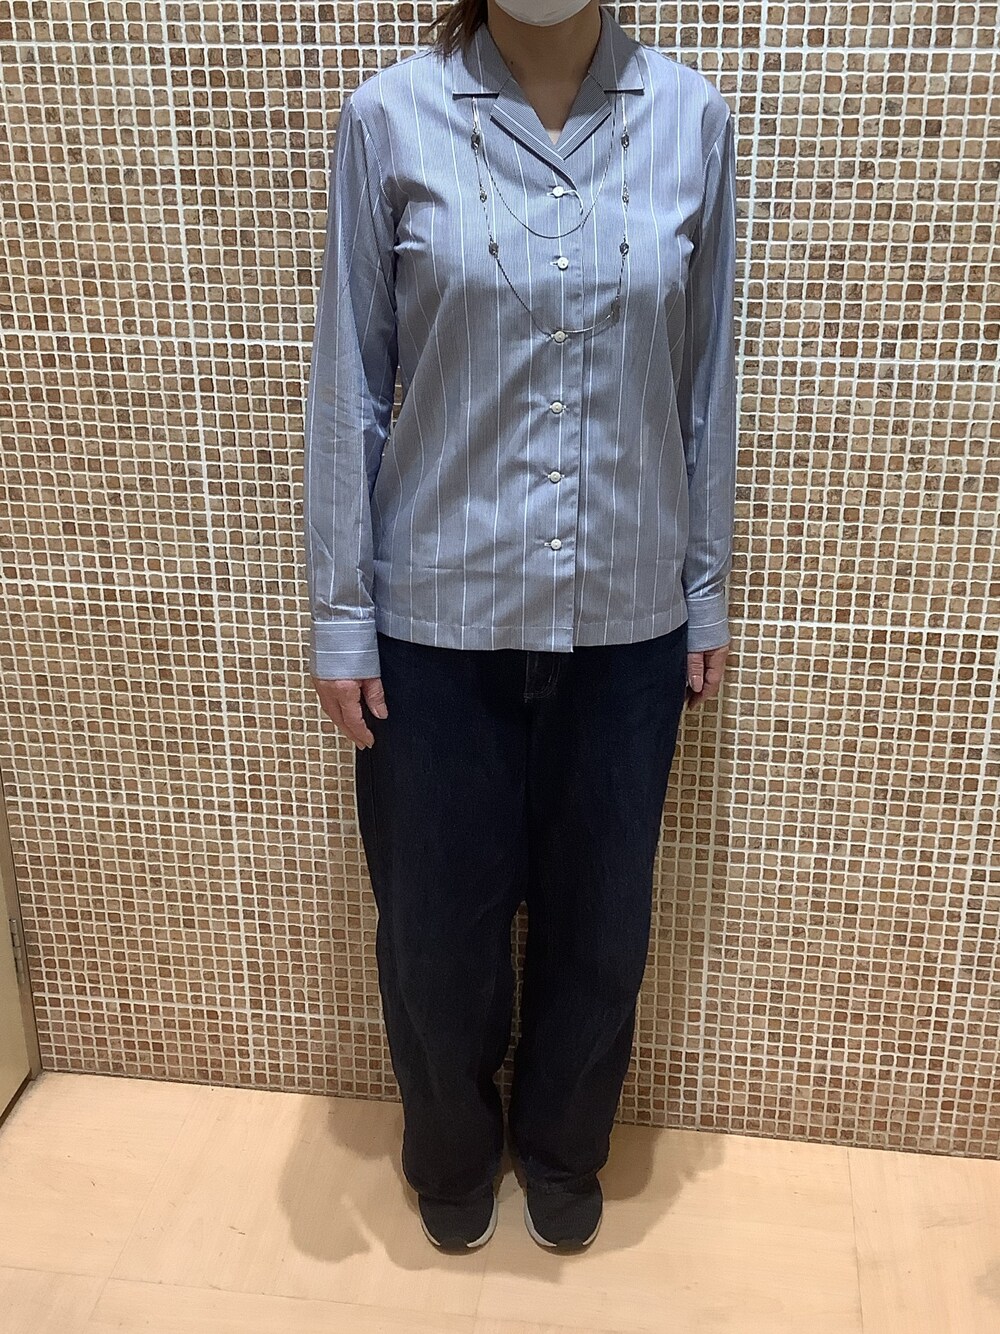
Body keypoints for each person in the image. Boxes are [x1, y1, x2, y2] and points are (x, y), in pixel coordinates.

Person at [303, 0, 736, 1254]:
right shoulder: (389, 118)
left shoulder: (691, 119)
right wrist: (343, 615)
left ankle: (561, 1144)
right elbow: (350, 379)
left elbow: (705, 381)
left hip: (626, 616)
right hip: (435, 624)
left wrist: (702, 587)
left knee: (602, 925)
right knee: (435, 934)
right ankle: (451, 1147)